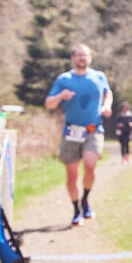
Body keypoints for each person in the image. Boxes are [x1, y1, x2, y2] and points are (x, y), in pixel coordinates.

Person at [44, 44, 112, 226]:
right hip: (71, 131)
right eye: (79, 55)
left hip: (93, 129)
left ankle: (85, 199)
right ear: (73, 58)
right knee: (72, 174)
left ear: (90, 58)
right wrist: (61, 96)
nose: (82, 58)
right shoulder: (64, 79)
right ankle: (76, 209)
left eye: (85, 55)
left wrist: (107, 106)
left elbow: (108, 93)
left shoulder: (99, 76)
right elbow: (49, 104)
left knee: (90, 165)